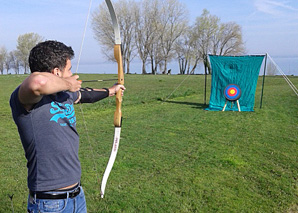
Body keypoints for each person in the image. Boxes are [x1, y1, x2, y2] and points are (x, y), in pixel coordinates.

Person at [9, 40, 125, 212]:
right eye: (69, 69)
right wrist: (69, 84)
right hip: (49, 203)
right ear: (56, 72)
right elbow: (37, 82)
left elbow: (85, 95)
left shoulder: (63, 94)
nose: (72, 74)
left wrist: (111, 90)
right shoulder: (26, 99)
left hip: (77, 196)